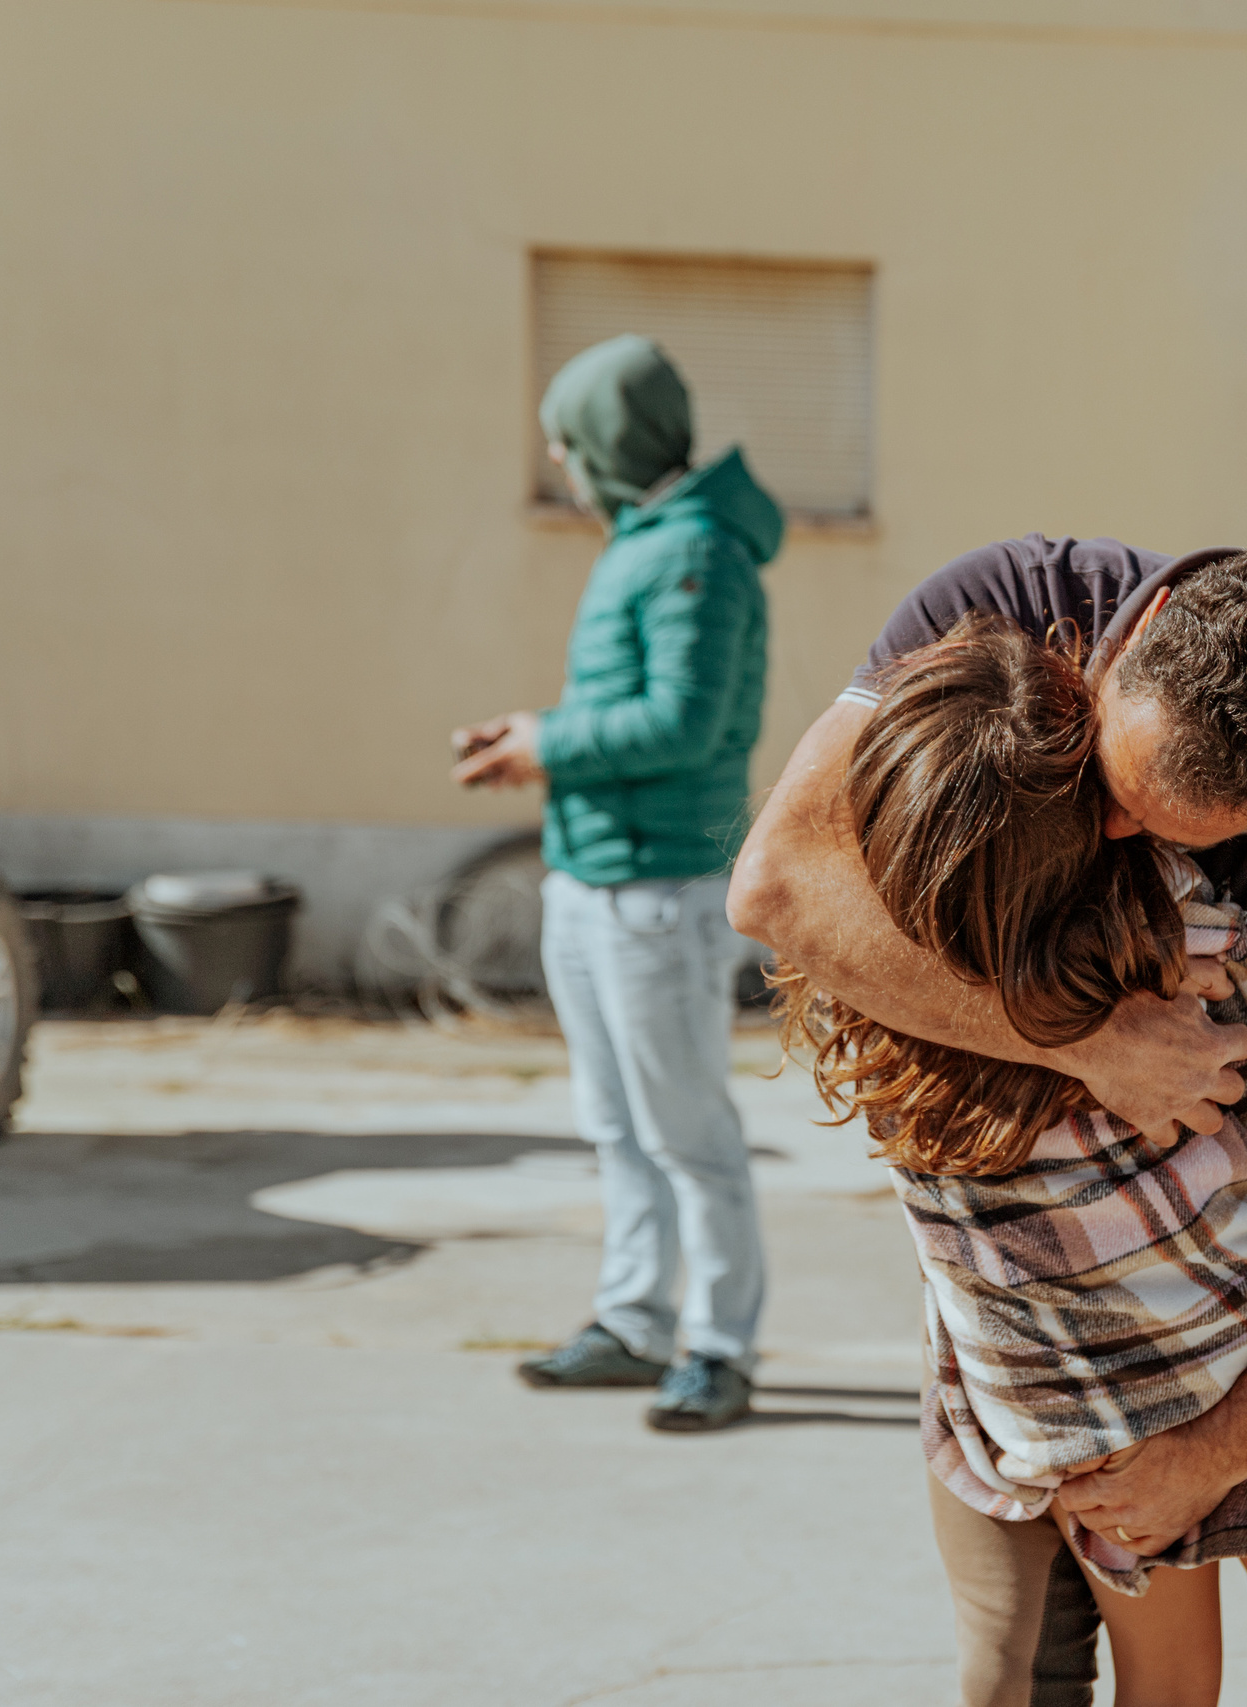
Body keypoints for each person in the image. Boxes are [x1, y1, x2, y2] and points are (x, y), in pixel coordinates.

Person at [730, 537, 1247, 1703]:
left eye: (1166, 833)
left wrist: (1213, 1453)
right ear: (1124, 642)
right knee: (1041, 1666)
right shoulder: (988, 626)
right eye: (1098, 788)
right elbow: (777, 887)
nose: (1111, 842)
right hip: (1210, 1318)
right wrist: (1088, 1040)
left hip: (1205, 1368)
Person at [454, 334, 782, 1432]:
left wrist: (545, 741)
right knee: (617, 1124)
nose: (556, 456)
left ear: (610, 441)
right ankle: (635, 1321)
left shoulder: (700, 551)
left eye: (567, 437)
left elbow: (685, 723)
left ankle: (721, 1345)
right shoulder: (644, 539)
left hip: (659, 890)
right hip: (585, 876)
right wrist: (535, 742)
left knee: (687, 1128)